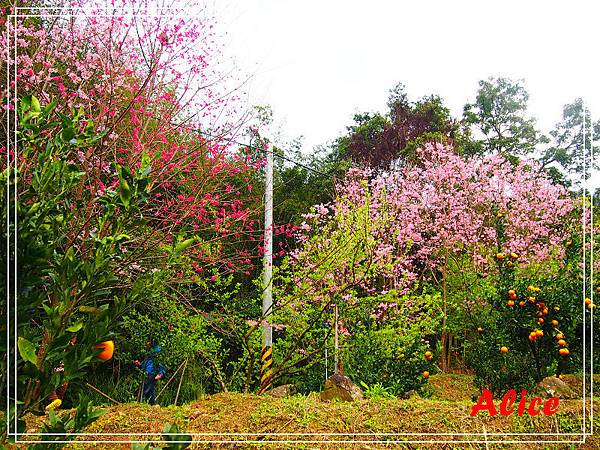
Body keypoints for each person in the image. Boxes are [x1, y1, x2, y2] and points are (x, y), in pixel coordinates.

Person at [134, 338, 165, 405]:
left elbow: (161, 363)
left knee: (142, 390)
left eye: (147, 342)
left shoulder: (156, 351)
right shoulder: (149, 352)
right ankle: (153, 405)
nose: (146, 343)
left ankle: (136, 403)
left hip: (151, 373)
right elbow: (146, 364)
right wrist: (139, 364)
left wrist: (160, 373)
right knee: (150, 392)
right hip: (147, 373)